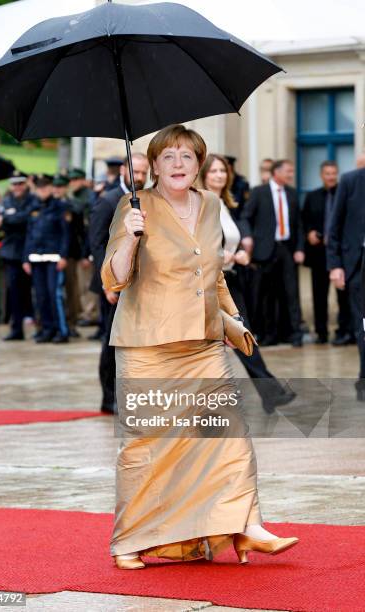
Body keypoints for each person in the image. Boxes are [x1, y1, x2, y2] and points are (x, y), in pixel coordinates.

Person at [101, 124, 299, 569]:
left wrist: (233, 317)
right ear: (152, 165)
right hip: (148, 345)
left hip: (204, 342)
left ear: (200, 165)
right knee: (146, 445)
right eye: (168, 156)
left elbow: (212, 272)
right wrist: (131, 238)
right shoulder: (134, 207)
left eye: (187, 157)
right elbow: (113, 278)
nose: (178, 164)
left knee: (227, 436)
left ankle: (245, 525)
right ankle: (130, 540)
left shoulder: (210, 204)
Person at [199, 153, 295, 414]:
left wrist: (239, 253)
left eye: (223, 171)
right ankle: (268, 392)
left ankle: (269, 393)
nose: (220, 175)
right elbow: (200, 246)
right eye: (214, 171)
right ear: (204, 174)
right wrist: (226, 256)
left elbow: (228, 240)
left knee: (242, 337)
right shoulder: (201, 203)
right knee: (229, 341)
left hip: (231, 280)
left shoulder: (224, 203)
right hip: (212, 283)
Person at [89, 153, 149, 413]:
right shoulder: (108, 200)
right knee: (112, 342)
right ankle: (109, 397)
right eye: (135, 172)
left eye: (144, 173)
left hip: (140, 283)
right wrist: (108, 283)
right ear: (124, 170)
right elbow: (97, 244)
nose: (139, 177)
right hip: (112, 283)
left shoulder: (148, 201)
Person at [240, 159, 305, 347]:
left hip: (287, 248)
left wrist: (300, 248)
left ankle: (296, 334)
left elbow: (299, 224)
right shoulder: (258, 192)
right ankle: (270, 335)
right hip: (265, 250)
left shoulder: (292, 194)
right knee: (267, 295)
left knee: (291, 293)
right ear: (276, 172)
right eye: (288, 171)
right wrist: (247, 237)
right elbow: (246, 217)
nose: (291, 174)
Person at [327, 156, 365, 400]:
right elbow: (335, 227)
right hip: (357, 265)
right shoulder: (351, 181)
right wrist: (335, 265)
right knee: (363, 325)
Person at [302, 161, 353, 345]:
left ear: (337, 174)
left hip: (341, 255)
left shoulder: (345, 194)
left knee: (343, 296)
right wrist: (310, 233)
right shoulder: (312, 196)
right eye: (327, 173)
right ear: (321, 175)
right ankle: (321, 333)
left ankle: (344, 331)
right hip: (318, 254)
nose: (331, 176)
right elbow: (304, 221)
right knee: (319, 295)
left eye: (334, 173)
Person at [22, 174, 70, 343]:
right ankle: (47, 328)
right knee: (41, 296)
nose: (42, 191)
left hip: (54, 257)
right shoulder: (34, 207)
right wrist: (25, 258)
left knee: (54, 295)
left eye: (45, 187)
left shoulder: (60, 207)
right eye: (39, 188)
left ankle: (61, 330)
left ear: (51, 188)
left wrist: (63, 256)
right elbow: (29, 234)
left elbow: (65, 234)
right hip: (36, 258)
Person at [0, 171, 35, 340]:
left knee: (35, 291)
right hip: (12, 252)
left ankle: (43, 326)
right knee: (14, 292)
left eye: (20, 183)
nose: (17, 187)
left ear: (25, 184)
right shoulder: (6, 200)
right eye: (14, 184)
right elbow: (1, 224)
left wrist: (7, 218)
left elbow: (27, 219)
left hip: (30, 250)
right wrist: (9, 219)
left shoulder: (32, 200)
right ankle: (16, 328)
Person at [52, 173, 85, 338]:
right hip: (51, 253)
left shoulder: (73, 206)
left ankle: (71, 323)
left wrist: (85, 254)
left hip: (70, 253)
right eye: (55, 186)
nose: (57, 189)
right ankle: (56, 323)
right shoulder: (49, 204)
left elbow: (81, 231)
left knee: (71, 290)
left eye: (60, 186)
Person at [68, 168, 99, 327]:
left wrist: (87, 253)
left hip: (87, 246)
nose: (72, 183)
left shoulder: (87, 197)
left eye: (75, 180)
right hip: (80, 246)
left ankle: (90, 313)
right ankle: (86, 312)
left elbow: (89, 226)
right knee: (81, 284)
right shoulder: (77, 196)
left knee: (87, 283)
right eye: (71, 180)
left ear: (81, 179)